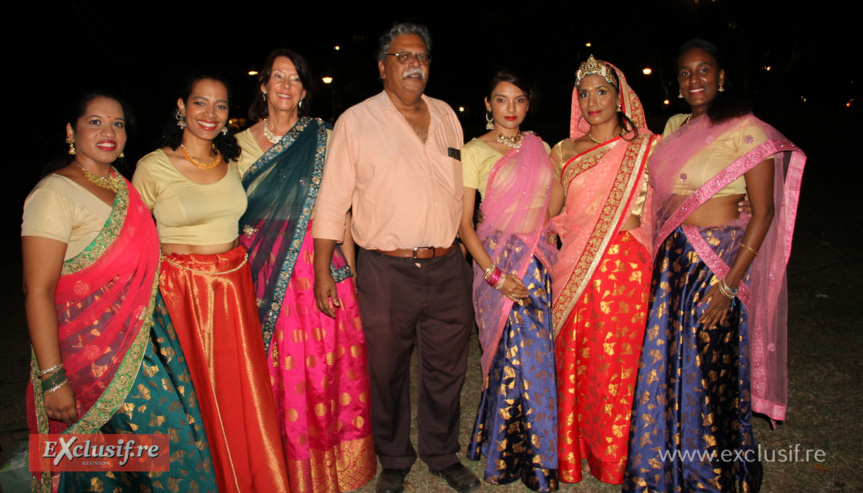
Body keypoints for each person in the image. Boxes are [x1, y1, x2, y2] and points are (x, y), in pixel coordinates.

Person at [623, 39, 805, 492]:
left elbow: (762, 214)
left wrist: (728, 285)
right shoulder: (675, 126)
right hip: (673, 263)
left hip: (718, 265)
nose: (695, 79)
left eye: (704, 70)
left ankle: (716, 473)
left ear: (722, 77)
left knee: (710, 366)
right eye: (685, 73)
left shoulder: (748, 130)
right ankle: (666, 468)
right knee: (667, 365)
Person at [312, 22, 480, 493]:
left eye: (422, 57)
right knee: (385, 370)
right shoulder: (356, 121)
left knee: (447, 369)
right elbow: (332, 200)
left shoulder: (448, 115)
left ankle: (442, 453)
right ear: (383, 65)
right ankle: (394, 458)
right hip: (386, 268)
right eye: (403, 57)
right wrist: (322, 269)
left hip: (448, 266)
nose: (414, 65)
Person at [22, 93, 218, 492]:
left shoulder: (122, 188)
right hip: (84, 361)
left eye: (118, 124)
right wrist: (52, 379)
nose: (109, 132)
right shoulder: (53, 193)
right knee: (97, 466)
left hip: (144, 347)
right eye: (95, 122)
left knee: (162, 457)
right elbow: (36, 290)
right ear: (70, 132)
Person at [133, 75, 289, 493]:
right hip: (180, 293)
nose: (210, 114)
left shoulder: (232, 161)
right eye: (200, 103)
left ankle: (250, 476)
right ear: (181, 106)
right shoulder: (153, 166)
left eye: (220, 106)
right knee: (192, 396)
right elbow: (130, 238)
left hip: (233, 288)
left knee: (239, 393)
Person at [235, 48, 375, 493]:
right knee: (273, 372)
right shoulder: (235, 145)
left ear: (304, 90)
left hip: (319, 264)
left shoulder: (325, 138)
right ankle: (277, 466)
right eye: (278, 76)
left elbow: (341, 211)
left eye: (295, 78)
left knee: (328, 369)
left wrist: (348, 273)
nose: (285, 85)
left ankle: (333, 466)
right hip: (260, 271)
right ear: (263, 84)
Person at [548, 56, 658, 485]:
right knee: (578, 359)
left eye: (602, 91)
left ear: (621, 97)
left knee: (618, 363)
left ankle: (614, 457)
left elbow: (671, 200)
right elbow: (549, 215)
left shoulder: (647, 147)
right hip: (575, 267)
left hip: (627, 271)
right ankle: (573, 451)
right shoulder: (563, 151)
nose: (592, 101)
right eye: (584, 93)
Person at [460, 70, 562, 492]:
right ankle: (503, 449)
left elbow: (555, 206)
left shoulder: (541, 147)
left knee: (537, 360)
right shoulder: (473, 151)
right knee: (505, 359)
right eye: (502, 100)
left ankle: (538, 457)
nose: (511, 108)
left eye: (519, 99)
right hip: (495, 264)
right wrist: (496, 275)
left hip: (537, 263)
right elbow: (464, 225)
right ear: (488, 104)